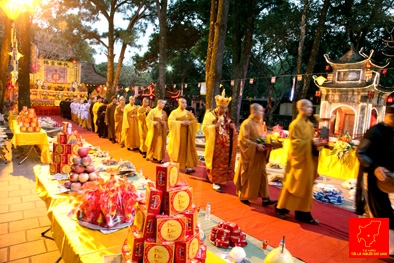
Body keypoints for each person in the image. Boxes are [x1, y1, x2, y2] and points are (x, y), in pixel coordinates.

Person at [275, 99, 320, 225]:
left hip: (308, 160)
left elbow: (311, 142)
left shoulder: (310, 125)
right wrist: (311, 143)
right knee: (292, 185)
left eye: (312, 107)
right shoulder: (295, 124)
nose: (311, 109)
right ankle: (281, 208)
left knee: (306, 187)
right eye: (309, 107)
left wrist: (318, 144)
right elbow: (294, 144)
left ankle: (303, 213)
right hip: (297, 160)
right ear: (301, 109)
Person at [356, 104, 394, 252]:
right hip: (371, 177)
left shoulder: (391, 132)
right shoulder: (375, 131)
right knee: (376, 210)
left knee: (380, 210)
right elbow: (360, 153)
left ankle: (374, 246)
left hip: (385, 179)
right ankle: (374, 247)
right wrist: (375, 166)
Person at [234, 103, 277, 206]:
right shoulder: (246, 123)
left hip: (259, 155)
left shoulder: (259, 123)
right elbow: (243, 140)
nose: (262, 113)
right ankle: (243, 196)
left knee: (262, 176)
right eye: (260, 111)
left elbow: (261, 137)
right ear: (253, 111)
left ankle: (265, 198)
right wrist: (255, 146)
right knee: (249, 175)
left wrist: (267, 141)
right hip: (250, 155)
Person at [202, 90, 237, 193]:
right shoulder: (210, 115)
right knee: (215, 162)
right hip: (215, 145)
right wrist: (215, 126)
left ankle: (219, 179)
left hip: (225, 145)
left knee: (224, 162)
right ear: (217, 106)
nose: (224, 110)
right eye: (222, 107)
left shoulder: (227, 116)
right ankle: (215, 182)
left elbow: (230, 127)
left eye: (225, 108)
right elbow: (205, 128)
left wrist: (232, 127)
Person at [168, 98, 199, 174]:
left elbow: (194, 121)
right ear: (179, 103)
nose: (184, 104)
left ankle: (188, 167)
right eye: (182, 102)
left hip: (187, 136)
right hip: (178, 136)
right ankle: (174, 166)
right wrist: (181, 123)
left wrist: (189, 123)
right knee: (177, 151)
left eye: (185, 103)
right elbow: (170, 122)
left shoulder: (188, 113)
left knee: (188, 150)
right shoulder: (174, 112)